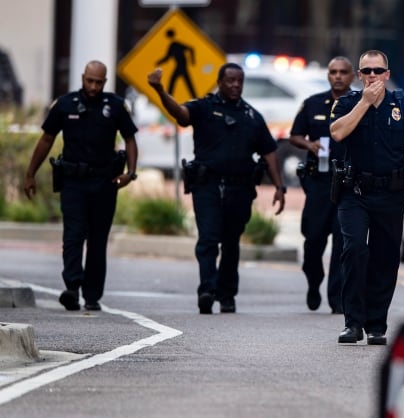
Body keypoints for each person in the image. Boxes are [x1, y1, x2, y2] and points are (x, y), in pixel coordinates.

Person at [147, 62, 286, 314]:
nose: (235, 85)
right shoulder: (204, 107)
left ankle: (227, 294)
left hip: (240, 189)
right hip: (207, 185)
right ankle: (207, 290)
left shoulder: (252, 116)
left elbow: (270, 153)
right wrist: (159, 90)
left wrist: (279, 187)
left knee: (231, 242)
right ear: (220, 82)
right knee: (208, 239)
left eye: (239, 81)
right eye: (230, 80)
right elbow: (180, 114)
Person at [330, 50, 404, 345]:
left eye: (378, 71)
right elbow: (337, 133)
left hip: (390, 193)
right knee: (354, 250)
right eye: (366, 71)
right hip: (355, 193)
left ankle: (376, 325)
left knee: (385, 258)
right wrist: (364, 102)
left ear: (387, 74)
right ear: (359, 75)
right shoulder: (348, 103)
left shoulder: (402, 106)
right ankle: (353, 323)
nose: (372, 76)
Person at [24, 60, 139, 312]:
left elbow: (130, 139)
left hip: (104, 181)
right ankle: (72, 288)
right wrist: (30, 173)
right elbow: (46, 139)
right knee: (73, 235)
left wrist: (130, 174)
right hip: (73, 181)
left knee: (98, 240)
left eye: (99, 82)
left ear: (105, 82)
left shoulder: (116, 106)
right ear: (82, 77)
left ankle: (92, 295)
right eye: (90, 81)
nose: (94, 87)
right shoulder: (65, 104)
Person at [289, 56, 355, 314]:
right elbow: (294, 135)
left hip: (347, 182)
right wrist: (309, 145)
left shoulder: (360, 104)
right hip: (319, 181)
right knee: (313, 240)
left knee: (342, 242)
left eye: (343, 72)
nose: (337, 76)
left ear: (352, 76)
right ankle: (313, 281)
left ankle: (337, 298)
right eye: (333, 72)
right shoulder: (313, 103)